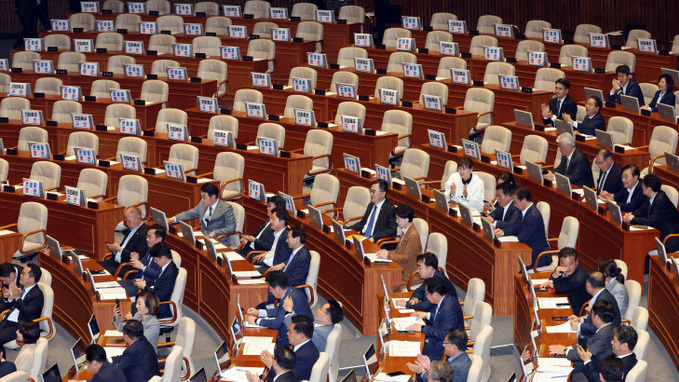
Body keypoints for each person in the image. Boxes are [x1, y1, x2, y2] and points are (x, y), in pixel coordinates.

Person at [247, 271, 313, 348]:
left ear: (278, 288)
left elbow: (276, 324)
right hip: (298, 327)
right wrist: (259, 312)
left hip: (295, 337)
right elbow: (280, 310)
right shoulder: (291, 291)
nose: (270, 291)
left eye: (270, 288)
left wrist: (256, 321)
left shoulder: (289, 298)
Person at [407, 276, 464, 362]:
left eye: (426, 294)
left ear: (435, 294)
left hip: (442, 348)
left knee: (411, 355)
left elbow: (443, 334)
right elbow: (442, 319)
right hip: (436, 340)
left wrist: (422, 328)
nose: (426, 297)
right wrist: (427, 315)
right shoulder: (446, 299)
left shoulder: (448, 309)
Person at [495, 187, 550, 268]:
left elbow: (522, 237)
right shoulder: (524, 210)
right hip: (528, 250)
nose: (514, 205)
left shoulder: (533, 216)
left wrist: (507, 239)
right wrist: (503, 233)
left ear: (523, 200)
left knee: (513, 266)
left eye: (515, 202)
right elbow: (516, 227)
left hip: (537, 256)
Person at [548, 300, 616, 365]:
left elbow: (586, 354)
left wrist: (564, 351)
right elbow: (590, 343)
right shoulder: (609, 327)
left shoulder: (602, 335)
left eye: (591, 313)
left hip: (595, 367)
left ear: (597, 317)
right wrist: (568, 348)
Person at [623, 174, 679, 252]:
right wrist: (631, 215)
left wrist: (633, 219)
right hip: (657, 232)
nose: (642, 187)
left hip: (669, 239)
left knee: (641, 248)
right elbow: (643, 210)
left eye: (643, 186)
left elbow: (651, 221)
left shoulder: (661, 200)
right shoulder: (652, 195)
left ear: (649, 189)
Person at [168, 183, 236, 245]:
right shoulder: (202, 204)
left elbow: (231, 227)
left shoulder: (226, 208)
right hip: (203, 236)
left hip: (218, 240)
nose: (202, 200)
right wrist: (173, 219)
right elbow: (189, 213)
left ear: (213, 197)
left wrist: (215, 232)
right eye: (201, 197)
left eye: (204, 197)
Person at [376, 204, 422, 285]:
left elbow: (406, 257)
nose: (396, 221)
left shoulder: (413, 235)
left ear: (407, 219)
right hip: (400, 268)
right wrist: (388, 252)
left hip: (408, 275)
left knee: (383, 282)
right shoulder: (405, 230)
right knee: (379, 277)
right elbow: (399, 251)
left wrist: (388, 256)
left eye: (398, 219)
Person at [263, 316, 318, 382]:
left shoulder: (304, 357)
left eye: (290, 331)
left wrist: (272, 366)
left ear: (300, 335)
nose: (287, 333)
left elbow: (288, 379)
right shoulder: (306, 346)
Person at [569, 272, 621, 341]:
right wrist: (580, 320)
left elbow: (599, 328)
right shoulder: (603, 295)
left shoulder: (603, 300)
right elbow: (595, 322)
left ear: (588, 285)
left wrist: (579, 326)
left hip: (603, 341)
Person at [0, 264, 43, 349]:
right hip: (9, 319)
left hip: (19, 325)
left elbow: (27, 313)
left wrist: (17, 297)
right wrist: (9, 298)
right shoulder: (22, 289)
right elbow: (12, 306)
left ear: (32, 279)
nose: (20, 275)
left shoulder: (37, 295)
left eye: (23, 274)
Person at [407, 329, 472, 382]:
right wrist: (429, 367)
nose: (443, 345)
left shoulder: (457, 368)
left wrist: (422, 372)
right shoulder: (462, 357)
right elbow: (441, 377)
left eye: (445, 343)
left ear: (454, 346)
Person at [134, 243, 178, 319]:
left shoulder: (170, 273)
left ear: (163, 258)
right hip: (154, 300)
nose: (154, 261)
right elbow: (157, 282)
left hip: (160, 307)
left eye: (155, 259)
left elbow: (161, 296)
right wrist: (144, 283)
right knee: (132, 306)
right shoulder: (166, 266)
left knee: (133, 310)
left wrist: (144, 287)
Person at [119, 225, 165, 298]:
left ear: (159, 239)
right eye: (147, 237)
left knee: (115, 293)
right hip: (135, 281)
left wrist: (142, 267)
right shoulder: (150, 249)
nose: (147, 239)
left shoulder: (163, 256)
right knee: (112, 286)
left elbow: (159, 275)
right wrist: (135, 259)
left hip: (145, 288)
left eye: (150, 237)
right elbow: (141, 264)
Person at [99, 207, 149, 275]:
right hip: (116, 261)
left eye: (129, 221)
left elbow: (137, 257)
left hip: (126, 266)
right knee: (93, 265)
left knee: (100, 272)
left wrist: (120, 249)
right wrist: (114, 250)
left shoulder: (144, 234)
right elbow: (124, 247)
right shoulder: (130, 229)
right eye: (126, 221)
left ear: (137, 219)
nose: (127, 224)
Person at [347, 179, 398, 246]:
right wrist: (347, 228)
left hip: (377, 242)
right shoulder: (371, 204)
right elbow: (362, 223)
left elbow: (392, 230)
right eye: (370, 191)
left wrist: (374, 237)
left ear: (383, 194)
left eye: (373, 192)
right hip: (363, 237)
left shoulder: (390, 209)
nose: (371, 194)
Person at [542, 248, 591, 315]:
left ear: (577, 261)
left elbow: (560, 288)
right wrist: (551, 280)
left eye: (571, 264)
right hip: (565, 297)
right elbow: (557, 271)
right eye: (563, 264)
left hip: (575, 308)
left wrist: (555, 276)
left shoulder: (579, 279)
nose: (567, 267)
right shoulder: (563, 265)